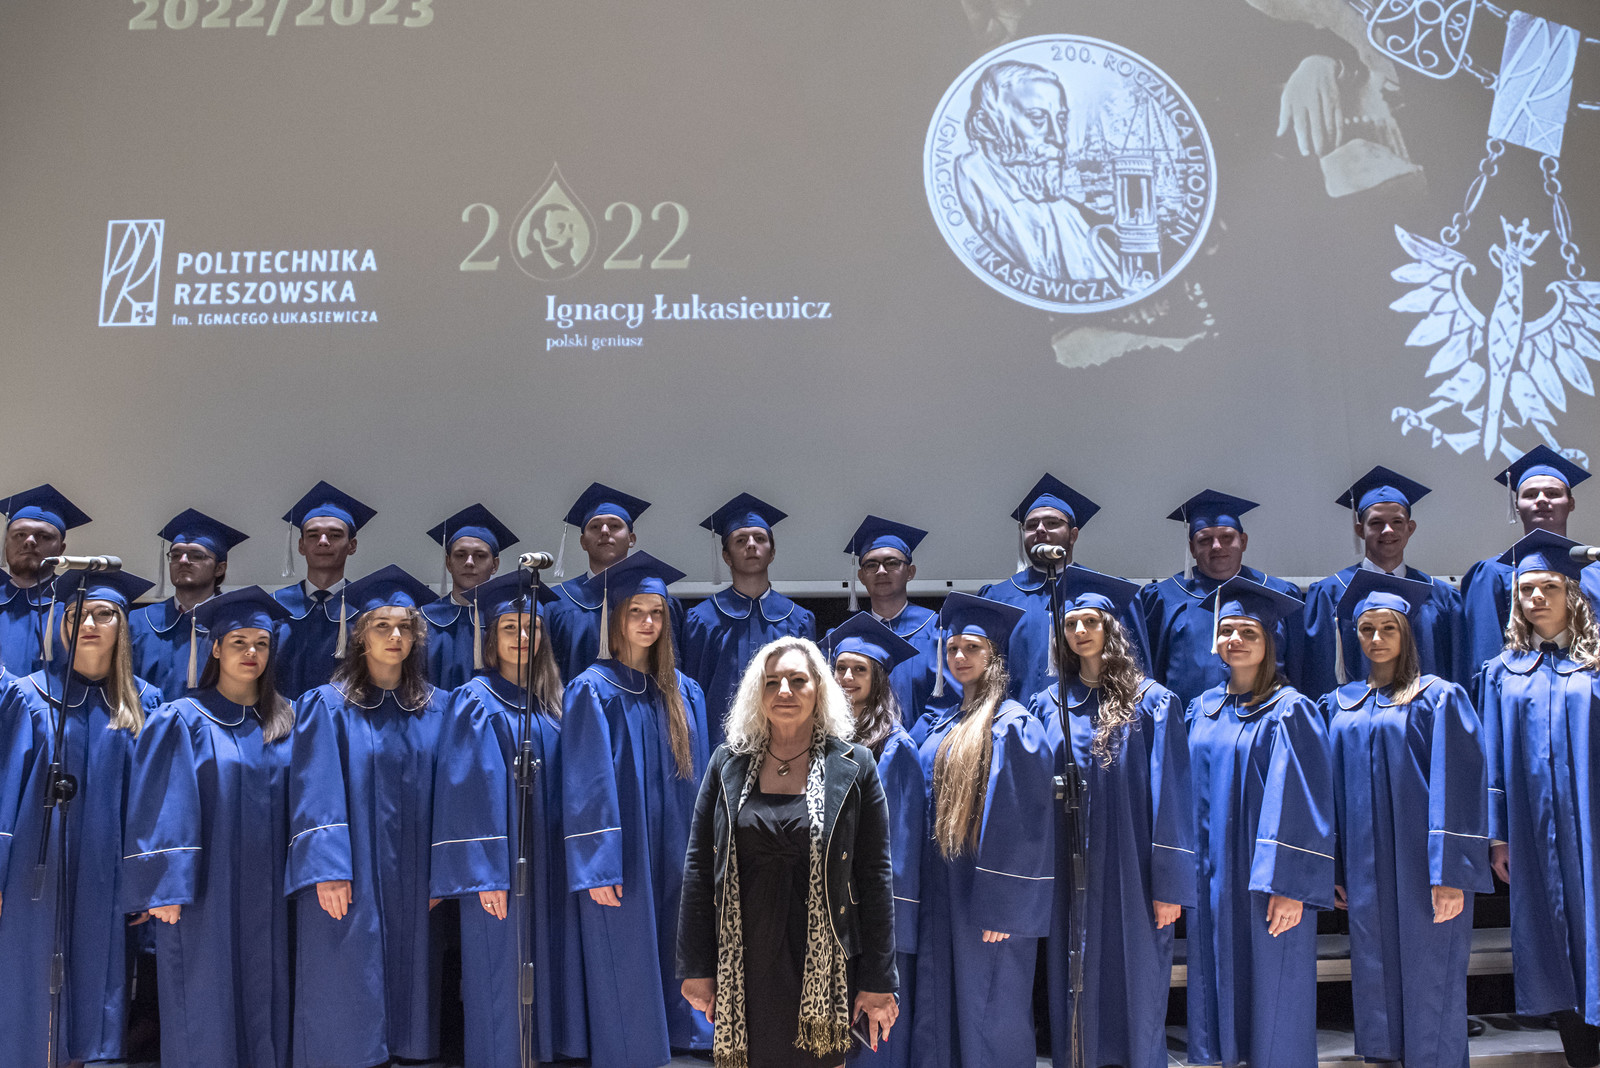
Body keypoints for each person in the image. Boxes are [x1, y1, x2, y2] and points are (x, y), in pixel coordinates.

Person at [678, 636, 899, 1068]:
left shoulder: (855, 765)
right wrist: (696, 966)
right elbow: (699, 868)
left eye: (798, 681)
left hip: (826, 964)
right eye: (772, 682)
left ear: (819, 689)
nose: (784, 691)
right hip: (743, 961)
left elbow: (876, 877)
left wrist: (878, 978)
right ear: (756, 693)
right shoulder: (726, 762)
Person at [1322, 569, 1491, 1068]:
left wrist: (1452, 874)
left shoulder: (1439, 698)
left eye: (1388, 628)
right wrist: (1336, 868)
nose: (1376, 638)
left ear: (1407, 632)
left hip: (1426, 869)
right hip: (1365, 872)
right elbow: (1328, 796)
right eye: (1366, 629)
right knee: (1373, 973)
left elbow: (1459, 789)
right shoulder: (1341, 707)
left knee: (1430, 977)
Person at [122, 586, 295, 1068]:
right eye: (238, 642)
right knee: (203, 996)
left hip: (270, 888)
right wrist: (163, 889)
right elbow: (160, 806)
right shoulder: (180, 719)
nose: (250, 652)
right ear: (215, 648)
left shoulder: (287, 721)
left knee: (266, 992)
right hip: (204, 890)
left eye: (261, 643)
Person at [1030, 566, 1195, 1068]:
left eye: (1091, 621)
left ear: (1111, 628)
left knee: (1136, 975)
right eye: (1070, 623)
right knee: (1071, 976)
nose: (1080, 630)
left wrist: (1169, 886)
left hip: (1132, 868)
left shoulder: (1153, 702)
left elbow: (1172, 798)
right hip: (1067, 867)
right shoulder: (1047, 705)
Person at [285, 564, 448, 1068]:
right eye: (382, 626)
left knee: (412, 970)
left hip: (415, 870)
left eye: (405, 628)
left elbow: (452, 795)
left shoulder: (438, 708)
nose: (395, 636)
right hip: (349, 868)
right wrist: (328, 870)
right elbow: (315, 791)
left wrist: (442, 872)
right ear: (359, 636)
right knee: (347, 966)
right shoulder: (326, 706)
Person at [0, 569, 160, 1068]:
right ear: (63, 626)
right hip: (35, 864)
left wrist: (145, 880)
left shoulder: (147, 704)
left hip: (106, 868)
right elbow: (5, 789)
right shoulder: (29, 695)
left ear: (123, 626)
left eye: (103, 614)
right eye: (76, 614)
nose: (89, 623)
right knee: (30, 978)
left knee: (99, 972)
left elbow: (152, 805)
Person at [430, 569, 588, 1066]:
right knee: (500, 968)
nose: (523, 637)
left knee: (546, 962)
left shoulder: (553, 704)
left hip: (549, 859)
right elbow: (467, 792)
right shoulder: (475, 700)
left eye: (532, 628)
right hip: (501, 869)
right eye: (509, 628)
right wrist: (485, 875)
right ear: (490, 638)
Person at [560, 551, 711, 1066]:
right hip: (623, 849)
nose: (648, 623)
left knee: (683, 935)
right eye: (636, 612)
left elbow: (701, 782)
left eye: (657, 613)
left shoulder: (685, 692)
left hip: (679, 842)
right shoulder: (592, 689)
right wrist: (597, 866)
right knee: (628, 944)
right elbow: (586, 786)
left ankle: (689, 1033)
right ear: (615, 619)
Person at [1186, 576, 1334, 1068]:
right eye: (1226, 631)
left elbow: (1303, 803)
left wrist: (1290, 887)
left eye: (1248, 632)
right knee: (1216, 982)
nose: (1235, 640)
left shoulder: (1291, 711)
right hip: (1211, 877)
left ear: (1270, 641)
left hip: (1265, 881)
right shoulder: (1202, 710)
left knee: (1274, 992)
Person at [910, 593, 1054, 1068]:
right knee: (943, 1003)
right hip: (942, 887)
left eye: (972, 648)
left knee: (989, 1009)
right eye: (952, 648)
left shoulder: (1013, 726)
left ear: (994, 655)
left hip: (984, 896)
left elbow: (1023, 824)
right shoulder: (942, 722)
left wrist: (1005, 906)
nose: (959, 657)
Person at [1479, 530, 1600, 1068]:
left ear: (1571, 593)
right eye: (1526, 589)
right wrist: (1498, 835)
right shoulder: (1501, 672)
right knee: (1552, 928)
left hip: (1593, 821)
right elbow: (1492, 760)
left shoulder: (1596, 663)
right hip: (1534, 829)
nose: (1536, 597)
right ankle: (1580, 1052)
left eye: (1549, 586)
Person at [822, 612, 926, 1068]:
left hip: (871, 908)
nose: (847, 677)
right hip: (833, 904)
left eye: (859, 669)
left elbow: (898, 846)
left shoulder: (894, 746)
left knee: (872, 1029)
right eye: (840, 668)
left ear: (878, 678)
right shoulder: (823, 738)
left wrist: (888, 924)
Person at [980, 474, 1150, 705]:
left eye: (1052, 523)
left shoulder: (1108, 594)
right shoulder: (998, 598)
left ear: (1073, 535)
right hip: (1017, 720)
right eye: (1031, 525)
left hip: (1095, 721)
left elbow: (1135, 670)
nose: (1040, 530)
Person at [1300, 466, 1469, 696]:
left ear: (1410, 528)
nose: (1388, 530)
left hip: (1426, 713)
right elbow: (1318, 673)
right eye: (1376, 523)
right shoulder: (1329, 594)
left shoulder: (1441, 596)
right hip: (1354, 715)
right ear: (1360, 530)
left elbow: (1457, 670)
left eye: (1397, 522)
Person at [954, 61, 1123, 285]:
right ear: (986, 125)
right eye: (1037, 119)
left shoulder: (1064, 211)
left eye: (1061, 121)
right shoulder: (968, 193)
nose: (1059, 139)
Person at [1139, 488, 1304, 706]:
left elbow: (1298, 670)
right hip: (1186, 722)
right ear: (1192, 548)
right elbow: (1150, 673)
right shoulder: (1164, 598)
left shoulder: (1279, 594)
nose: (1217, 546)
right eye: (1205, 540)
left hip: (1267, 720)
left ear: (1243, 541)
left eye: (1227, 537)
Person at [683, 493, 816, 749]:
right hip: (718, 748)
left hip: (785, 748)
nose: (751, 545)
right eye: (741, 540)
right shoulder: (702, 619)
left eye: (760, 538)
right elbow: (691, 694)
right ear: (727, 556)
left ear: (772, 553)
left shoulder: (798, 620)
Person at [1462, 447, 1589, 674]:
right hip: (1516, 690)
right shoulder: (1492, 574)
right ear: (1517, 507)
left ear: (1571, 503)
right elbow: (1483, 657)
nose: (1541, 500)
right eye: (1530, 495)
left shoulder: (1594, 570)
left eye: (1552, 493)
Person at [546, 483, 686, 682]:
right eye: (595, 526)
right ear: (583, 542)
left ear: (631, 539)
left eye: (614, 526)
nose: (604, 531)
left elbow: (671, 668)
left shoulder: (659, 603)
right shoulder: (557, 602)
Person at [844, 515, 954, 727]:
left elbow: (947, 703)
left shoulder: (937, 631)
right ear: (861, 576)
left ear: (910, 572)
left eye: (892, 563)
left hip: (923, 745)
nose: (881, 571)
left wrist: (910, 744)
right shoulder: (848, 637)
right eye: (871, 565)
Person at [129, 508, 249, 701]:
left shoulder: (237, 624)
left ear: (220, 568)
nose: (183, 561)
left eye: (197, 555)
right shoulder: (138, 623)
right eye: (176, 555)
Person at [272, 481, 377, 699]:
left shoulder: (366, 611)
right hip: (282, 718)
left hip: (347, 717)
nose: (323, 541)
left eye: (335, 535)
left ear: (352, 546)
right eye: (313, 535)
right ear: (301, 546)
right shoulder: (275, 607)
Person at [420, 503, 516, 690]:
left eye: (480, 556)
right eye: (460, 555)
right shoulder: (424, 620)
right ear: (448, 562)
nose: (469, 562)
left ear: (495, 565)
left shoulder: (508, 622)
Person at [0, 484, 91, 676]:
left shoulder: (74, 608)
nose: (30, 541)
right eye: (20, 534)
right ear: (5, 542)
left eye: (44, 536)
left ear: (61, 549)